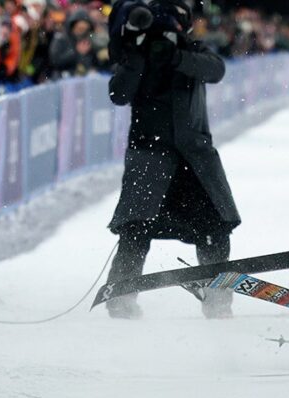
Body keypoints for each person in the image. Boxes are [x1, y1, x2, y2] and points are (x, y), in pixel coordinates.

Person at [104, 0, 239, 319]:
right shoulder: (135, 53)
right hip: (150, 155)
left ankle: (218, 301)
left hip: (194, 158)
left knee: (214, 228)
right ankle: (121, 300)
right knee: (135, 231)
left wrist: (177, 57)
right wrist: (139, 59)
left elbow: (216, 70)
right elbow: (119, 94)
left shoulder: (191, 50)